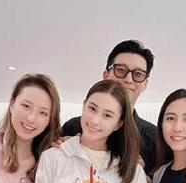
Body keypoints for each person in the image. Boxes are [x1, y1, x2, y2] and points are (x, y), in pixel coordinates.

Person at [61, 39, 158, 174]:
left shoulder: (155, 139)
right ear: (106, 75)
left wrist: (139, 176)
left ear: (145, 84)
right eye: (121, 70)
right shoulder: (73, 128)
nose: (128, 79)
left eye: (138, 74)